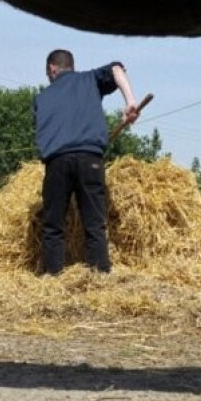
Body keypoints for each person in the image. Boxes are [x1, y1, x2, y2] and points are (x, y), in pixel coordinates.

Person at [33, 49, 140, 275]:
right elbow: (117, 69)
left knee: (53, 226)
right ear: (71, 66)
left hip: (57, 163)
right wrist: (130, 102)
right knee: (94, 224)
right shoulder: (89, 79)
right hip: (89, 159)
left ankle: (53, 279)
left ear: (52, 69)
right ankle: (99, 276)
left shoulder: (41, 98)